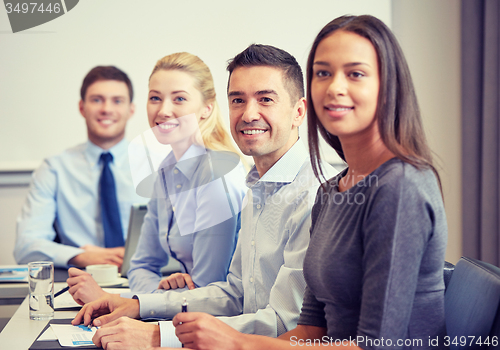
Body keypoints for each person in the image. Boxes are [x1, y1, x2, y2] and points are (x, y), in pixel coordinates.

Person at [172, 15, 448, 350]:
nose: (334, 87)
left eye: (355, 74)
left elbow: (376, 346)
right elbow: (309, 332)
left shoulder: (400, 186)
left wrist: (238, 343)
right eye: (323, 73)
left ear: (387, 87)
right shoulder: (332, 191)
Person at [72, 44, 338, 349]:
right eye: (238, 100)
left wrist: (159, 336)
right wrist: (137, 304)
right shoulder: (258, 186)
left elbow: (284, 323)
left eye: (265, 99)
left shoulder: (315, 193)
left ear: (299, 111)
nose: (249, 113)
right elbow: (234, 294)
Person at [66, 52, 247, 305]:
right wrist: (160, 294)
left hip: (223, 323)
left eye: (179, 99)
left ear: (206, 108)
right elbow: (140, 265)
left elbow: (209, 291)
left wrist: (138, 301)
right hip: (186, 311)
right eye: (155, 98)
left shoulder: (215, 176)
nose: (163, 110)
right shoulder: (166, 170)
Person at [14, 66, 144, 269]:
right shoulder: (54, 168)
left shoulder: (157, 165)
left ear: (131, 110)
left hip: (148, 282)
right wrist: (80, 256)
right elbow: (26, 246)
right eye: (97, 100)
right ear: (82, 107)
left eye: (117, 101)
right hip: (79, 281)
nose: (106, 109)